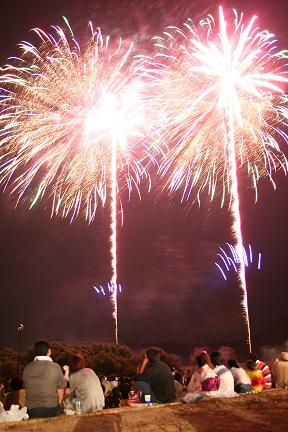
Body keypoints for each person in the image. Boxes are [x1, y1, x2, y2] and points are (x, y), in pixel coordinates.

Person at [23, 340, 67, 418]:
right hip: (52, 409)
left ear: (34, 353)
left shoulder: (27, 368)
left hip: (31, 411)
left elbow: (26, 387)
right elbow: (61, 388)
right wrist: (59, 404)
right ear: (49, 351)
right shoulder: (55, 367)